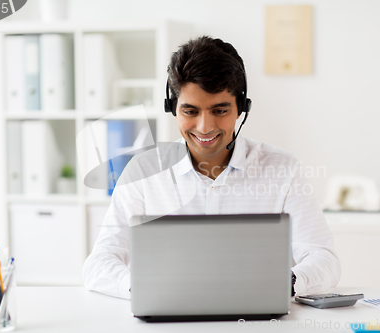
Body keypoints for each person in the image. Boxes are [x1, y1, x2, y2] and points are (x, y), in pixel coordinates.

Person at [82, 36, 341, 300]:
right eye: (190, 111)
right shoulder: (143, 170)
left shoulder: (282, 168)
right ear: (172, 108)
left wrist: (282, 283)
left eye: (219, 110)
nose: (204, 127)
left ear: (241, 108)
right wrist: (143, 287)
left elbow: (324, 260)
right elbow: (98, 264)